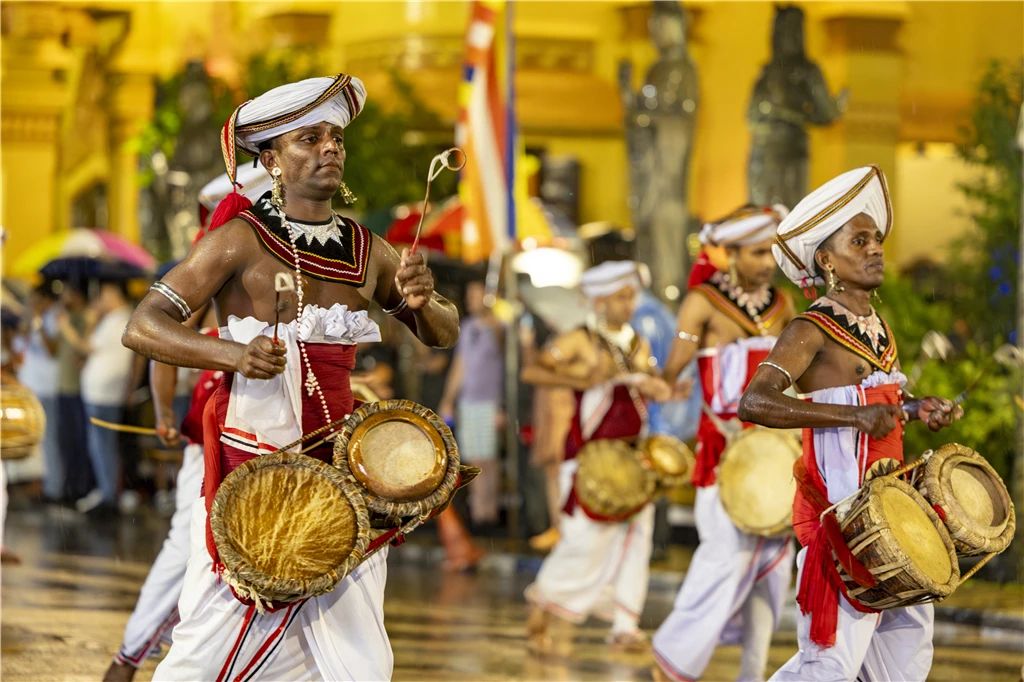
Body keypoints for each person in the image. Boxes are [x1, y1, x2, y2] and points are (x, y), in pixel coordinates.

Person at [122, 73, 459, 680]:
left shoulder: (368, 249)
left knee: (361, 659)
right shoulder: (237, 241)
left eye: (336, 138)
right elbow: (143, 326)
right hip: (253, 472)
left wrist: (425, 300)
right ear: (272, 160)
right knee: (204, 654)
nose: (330, 148)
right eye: (310, 138)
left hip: (345, 473)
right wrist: (232, 356)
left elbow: (443, 332)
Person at [737, 166, 962, 681]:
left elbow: (881, 401)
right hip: (841, 517)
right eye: (859, 241)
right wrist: (854, 416)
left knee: (905, 657)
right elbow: (754, 402)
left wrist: (918, 407)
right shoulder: (809, 329)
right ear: (826, 260)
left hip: (891, 514)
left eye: (876, 239)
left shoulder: (878, 329)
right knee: (830, 664)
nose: (875, 249)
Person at [652, 205, 795, 682]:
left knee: (774, 571)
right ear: (730, 254)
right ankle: (673, 659)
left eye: (771, 252)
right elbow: (676, 363)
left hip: (774, 455)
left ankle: (753, 672)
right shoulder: (703, 301)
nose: (767, 263)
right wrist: (664, 382)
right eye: (757, 253)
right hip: (724, 450)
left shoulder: (783, 305)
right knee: (721, 559)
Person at [521, 261, 672, 653]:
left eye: (631, 296)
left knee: (636, 541)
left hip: (633, 459)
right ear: (600, 300)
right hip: (590, 459)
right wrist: (581, 379)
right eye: (621, 297)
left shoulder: (638, 343)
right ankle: (543, 604)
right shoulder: (579, 339)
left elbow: (648, 384)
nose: (629, 304)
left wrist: (664, 388)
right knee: (584, 543)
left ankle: (625, 625)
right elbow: (533, 373)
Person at [439, 279, 504, 526]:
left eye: (476, 296)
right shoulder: (466, 327)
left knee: (488, 459)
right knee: (474, 458)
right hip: (469, 401)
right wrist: (448, 399)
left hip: (490, 402)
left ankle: (490, 511)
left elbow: (503, 351)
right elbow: (460, 366)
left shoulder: (499, 326)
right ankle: (479, 513)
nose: (471, 301)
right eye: (470, 296)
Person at [68, 280, 136, 514]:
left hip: (104, 395)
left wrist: (67, 327)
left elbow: (86, 346)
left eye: (104, 294)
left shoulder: (119, 319)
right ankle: (107, 490)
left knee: (102, 446)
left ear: (114, 293)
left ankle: (109, 496)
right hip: (99, 393)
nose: (100, 300)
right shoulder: (113, 319)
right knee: (101, 445)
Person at [13, 283, 62, 501]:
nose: (31, 303)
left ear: (45, 299)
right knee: (38, 441)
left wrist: (39, 322)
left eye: (34, 299)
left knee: (49, 439)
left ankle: (54, 488)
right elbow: (20, 344)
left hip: (47, 387)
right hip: (32, 387)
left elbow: (52, 350)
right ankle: (43, 484)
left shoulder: (54, 317)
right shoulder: (34, 318)